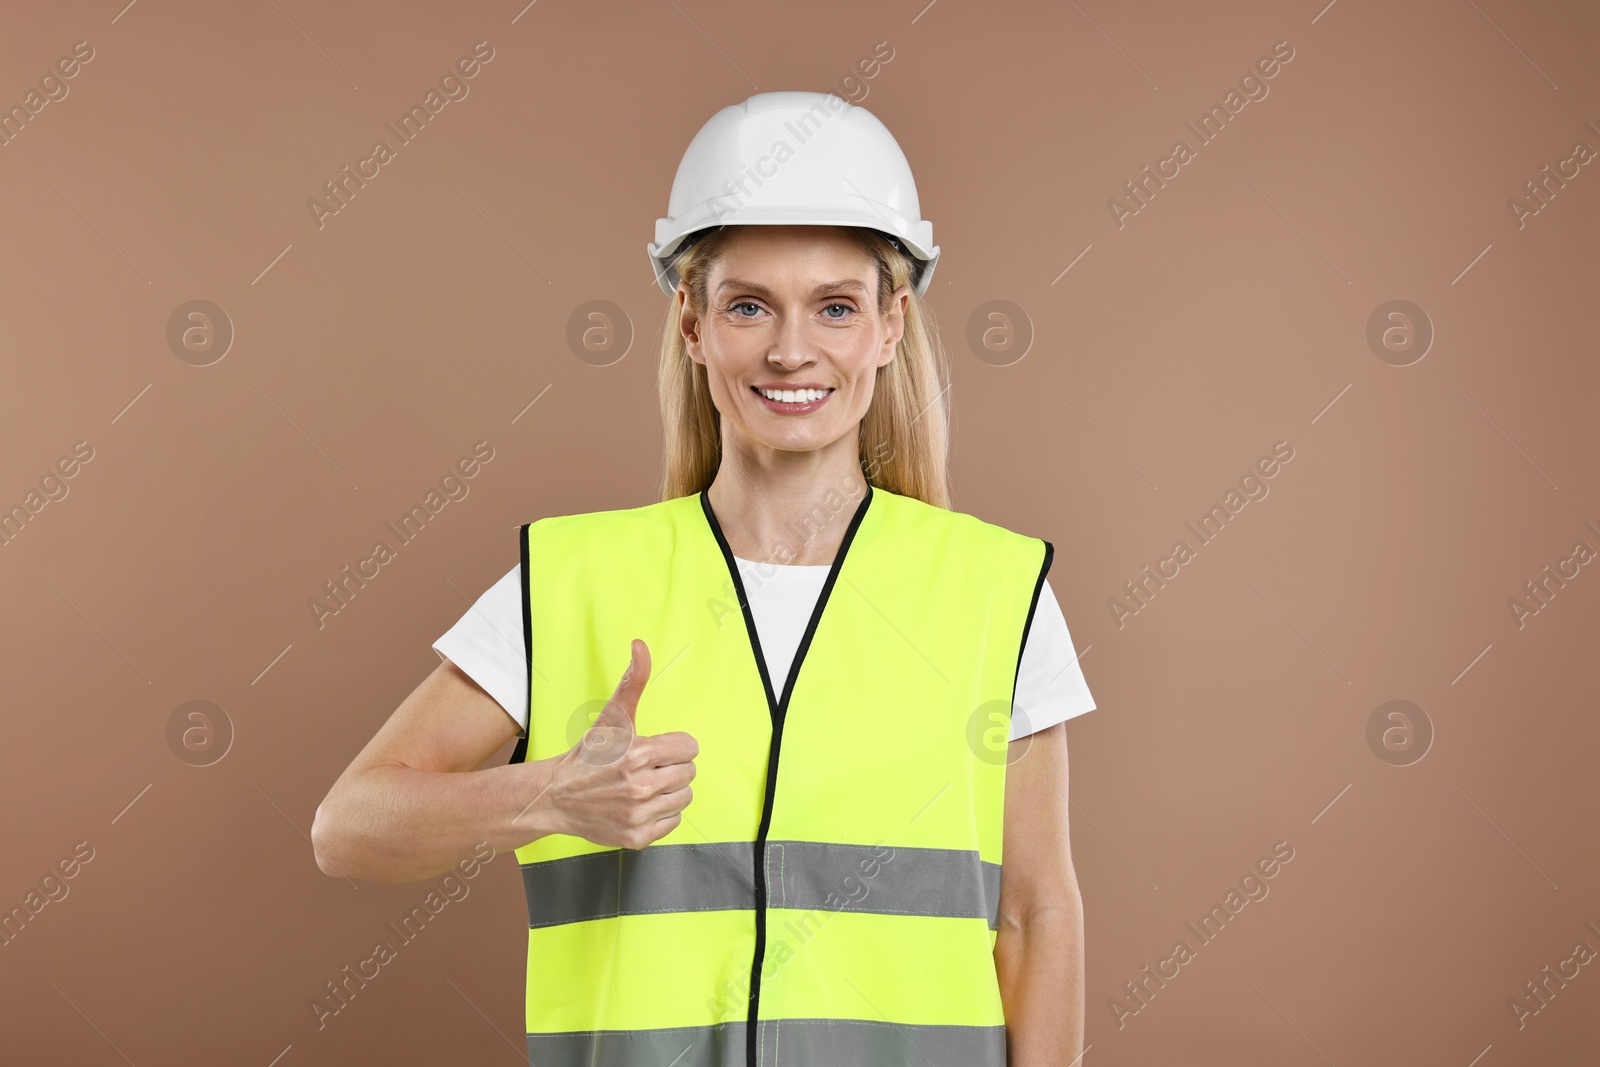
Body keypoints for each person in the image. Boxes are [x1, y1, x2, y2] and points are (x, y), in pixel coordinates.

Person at [312, 90, 1095, 1067]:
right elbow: (347, 826)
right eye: (748, 305)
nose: (790, 349)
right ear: (690, 323)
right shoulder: (574, 578)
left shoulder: (996, 589)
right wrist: (550, 794)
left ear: (891, 327)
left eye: (836, 308)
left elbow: (1034, 911)